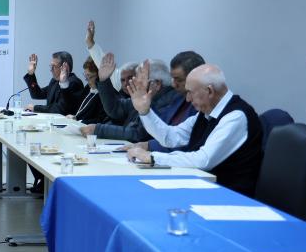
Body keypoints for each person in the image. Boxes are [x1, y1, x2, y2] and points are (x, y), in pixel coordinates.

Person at [126, 63, 263, 196]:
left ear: (209, 91)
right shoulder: (206, 114)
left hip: (230, 196)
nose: (187, 99)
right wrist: (144, 111)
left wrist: (152, 157)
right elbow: (170, 137)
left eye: (190, 92)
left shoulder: (236, 117)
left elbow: (203, 161)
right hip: (205, 187)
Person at [80, 55, 183, 142]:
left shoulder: (166, 103)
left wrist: (98, 130)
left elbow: (138, 134)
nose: (135, 84)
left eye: (140, 82)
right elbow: (115, 109)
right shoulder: (149, 96)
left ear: (157, 84)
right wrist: (103, 80)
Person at [125, 50, 205, 152]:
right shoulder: (177, 98)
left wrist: (149, 147)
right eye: (173, 79)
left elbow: (189, 146)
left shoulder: (202, 107)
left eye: (179, 80)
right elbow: (167, 134)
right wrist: (144, 111)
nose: (174, 84)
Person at [60, 57, 108, 125]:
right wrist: (64, 83)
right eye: (86, 76)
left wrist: (78, 121)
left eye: (90, 77)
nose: (87, 81)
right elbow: (72, 103)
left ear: (100, 76)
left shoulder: (106, 95)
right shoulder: (88, 88)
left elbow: (101, 120)